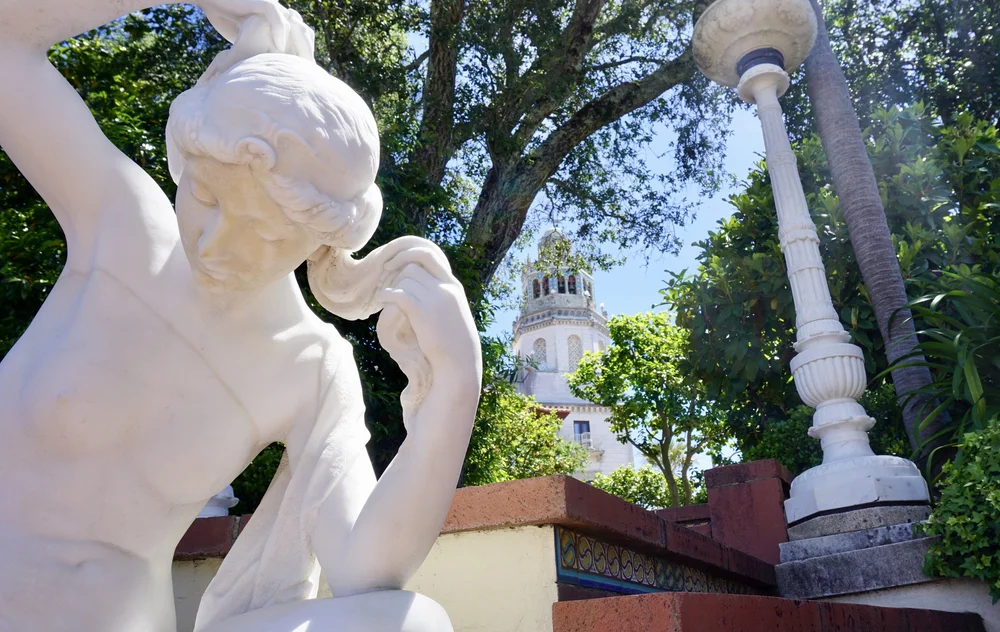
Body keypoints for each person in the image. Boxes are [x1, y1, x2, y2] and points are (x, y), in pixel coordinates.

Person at [0, 1, 482, 630]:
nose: (214, 243)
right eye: (203, 196)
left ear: (317, 239)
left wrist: (453, 392)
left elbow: (366, 570)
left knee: (413, 624)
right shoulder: (122, 226)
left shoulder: (309, 366)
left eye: (262, 231)